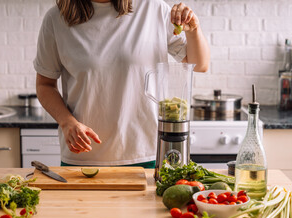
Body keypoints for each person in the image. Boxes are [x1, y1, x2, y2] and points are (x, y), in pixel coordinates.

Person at [34, 0, 210, 168]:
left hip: (147, 153)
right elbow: (45, 85)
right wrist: (67, 122)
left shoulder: (153, 9)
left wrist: (193, 30)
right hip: (82, 155)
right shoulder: (56, 19)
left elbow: (200, 64)